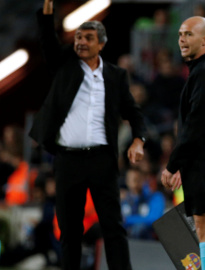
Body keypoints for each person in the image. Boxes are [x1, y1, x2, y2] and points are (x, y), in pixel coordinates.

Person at [29, 0, 146, 269]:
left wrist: (139, 139)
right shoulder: (65, 67)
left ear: (101, 44)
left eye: (88, 38)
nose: (81, 42)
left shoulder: (116, 76)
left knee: (113, 227)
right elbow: (48, 43)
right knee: (69, 230)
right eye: (78, 37)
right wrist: (47, 11)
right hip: (68, 160)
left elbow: (134, 112)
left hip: (102, 160)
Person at [160, 16, 205, 270]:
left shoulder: (204, 72)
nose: (182, 39)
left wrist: (173, 164)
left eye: (188, 34)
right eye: (180, 34)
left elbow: (195, 127)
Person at [120, 167, 165, 239]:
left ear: (144, 179)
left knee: (139, 228)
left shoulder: (154, 197)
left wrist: (127, 220)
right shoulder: (122, 199)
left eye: (138, 179)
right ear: (127, 181)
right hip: (125, 238)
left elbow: (154, 219)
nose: (136, 182)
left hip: (147, 242)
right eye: (132, 179)